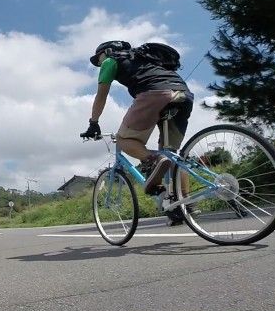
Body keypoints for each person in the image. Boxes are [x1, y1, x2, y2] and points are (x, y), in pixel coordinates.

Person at [82, 41, 194, 222]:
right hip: (184, 95)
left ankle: (153, 160)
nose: (98, 63)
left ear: (106, 52)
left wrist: (93, 123)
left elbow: (101, 96)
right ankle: (184, 206)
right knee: (172, 156)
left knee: (124, 139)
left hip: (155, 93)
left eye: (98, 58)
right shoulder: (145, 59)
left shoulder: (110, 61)